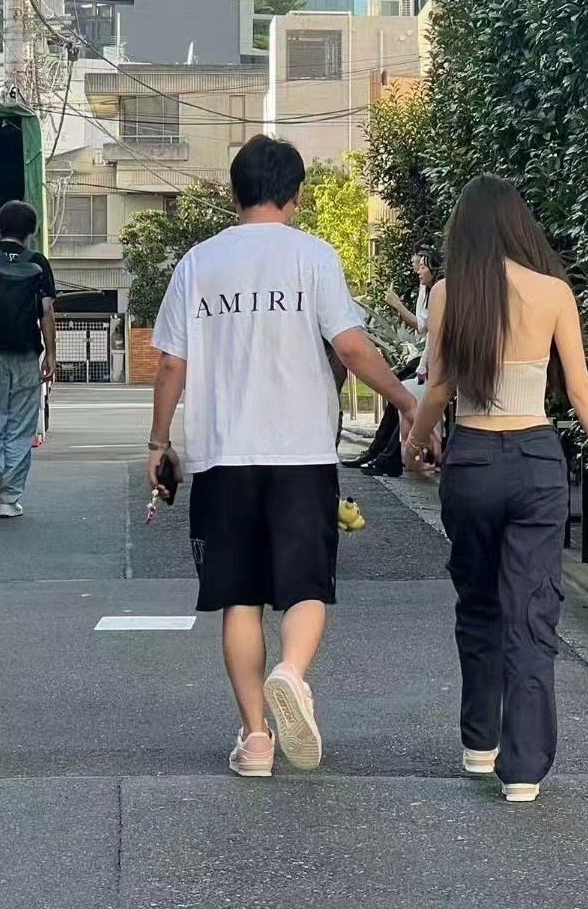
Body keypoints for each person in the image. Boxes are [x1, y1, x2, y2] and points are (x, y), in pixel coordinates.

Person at [147, 135, 418, 779]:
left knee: (239, 598)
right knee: (306, 585)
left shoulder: (198, 263)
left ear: (234, 192)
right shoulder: (313, 256)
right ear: (295, 195)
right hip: (301, 452)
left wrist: (159, 444)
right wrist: (408, 403)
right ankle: (291, 673)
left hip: (222, 455)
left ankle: (256, 741)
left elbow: (172, 365)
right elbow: (351, 348)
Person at [403, 175, 588, 803]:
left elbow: (439, 388)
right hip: (536, 459)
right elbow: (581, 390)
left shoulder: (449, 293)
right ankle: (524, 768)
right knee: (531, 609)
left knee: (478, 600)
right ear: (517, 224)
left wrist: (415, 443)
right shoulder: (554, 292)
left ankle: (480, 743)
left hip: (473, 459)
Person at [0, 201, 57, 519]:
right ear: (30, 232)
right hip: (25, 355)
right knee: (20, 428)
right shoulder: (37, 261)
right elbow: (46, 311)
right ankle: (9, 499)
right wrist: (51, 354)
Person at [343, 246, 440, 477]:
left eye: (421, 266)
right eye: (416, 265)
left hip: (435, 362)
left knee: (405, 392)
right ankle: (378, 452)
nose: (417, 271)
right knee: (398, 387)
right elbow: (424, 328)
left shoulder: (440, 292)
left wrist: (397, 304)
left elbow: (427, 330)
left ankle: (389, 456)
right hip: (427, 358)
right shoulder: (427, 291)